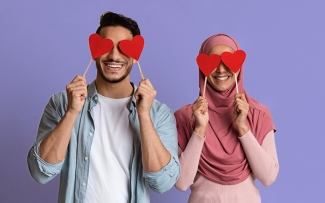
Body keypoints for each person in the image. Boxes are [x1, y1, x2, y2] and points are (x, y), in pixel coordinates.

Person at [27, 11, 180, 203]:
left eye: (123, 48)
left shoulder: (159, 114)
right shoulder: (62, 104)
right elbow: (41, 172)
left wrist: (144, 116)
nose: (114, 56)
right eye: (107, 46)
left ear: (135, 56)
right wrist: (72, 112)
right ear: (95, 51)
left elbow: (163, 183)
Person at [174, 34, 279, 203]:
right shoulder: (185, 117)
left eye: (228, 61)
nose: (221, 70)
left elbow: (268, 177)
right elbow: (181, 183)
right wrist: (199, 130)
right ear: (203, 68)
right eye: (213, 62)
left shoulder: (259, 114)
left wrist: (243, 128)